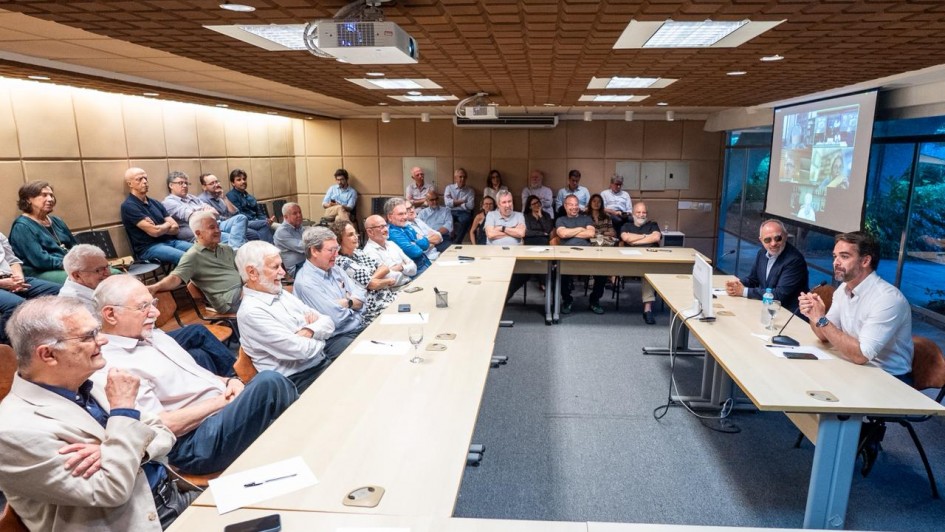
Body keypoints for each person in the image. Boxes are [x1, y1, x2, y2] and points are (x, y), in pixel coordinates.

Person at [0, 296, 192, 531]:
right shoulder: (12, 431)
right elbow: (112, 490)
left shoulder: (94, 381)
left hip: (170, 496)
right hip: (138, 523)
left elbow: (164, 432)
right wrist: (123, 413)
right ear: (48, 354)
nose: (102, 340)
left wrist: (115, 452)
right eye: (88, 336)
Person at [94, 274, 298, 475]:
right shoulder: (114, 368)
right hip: (194, 443)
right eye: (143, 307)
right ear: (111, 314)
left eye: (153, 303)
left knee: (267, 389)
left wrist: (230, 381)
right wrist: (222, 401)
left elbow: (197, 375)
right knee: (270, 382)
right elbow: (159, 426)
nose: (155, 313)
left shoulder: (153, 335)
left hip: (219, 413)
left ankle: (298, 443)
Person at [798, 231, 913, 476]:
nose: (836, 262)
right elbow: (823, 334)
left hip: (890, 378)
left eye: (844, 256)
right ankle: (844, 440)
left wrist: (821, 320)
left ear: (865, 260)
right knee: (800, 374)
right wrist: (813, 315)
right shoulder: (843, 290)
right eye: (834, 256)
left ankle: (857, 440)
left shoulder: (887, 300)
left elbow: (861, 354)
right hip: (856, 365)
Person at [61, 243, 236, 377]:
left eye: (107, 266)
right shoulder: (72, 303)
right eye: (99, 270)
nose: (107, 273)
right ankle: (237, 376)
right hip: (127, 350)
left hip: (142, 337)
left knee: (199, 355)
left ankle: (226, 384)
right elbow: (107, 335)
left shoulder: (96, 286)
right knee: (197, 332)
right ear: (77, 275)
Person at [235, 241, 335, 394]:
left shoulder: (281, 293)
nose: (283, 272)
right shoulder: (251, 312)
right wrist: (321, 335)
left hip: (321, 363)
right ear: (252, 273)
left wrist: (307, 331)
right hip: (299, 381)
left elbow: (328, 322)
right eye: (275, 267)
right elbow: (301, 350)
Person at [148, 211, 244, 315]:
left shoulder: (226, 249)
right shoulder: (193, 256)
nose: (218, 230)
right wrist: (155, 287)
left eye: (218, 226)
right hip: (228, 301)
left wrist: (248, 287)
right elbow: (175, 278)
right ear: (198, 233)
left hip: (243, 293)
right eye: (212, 227)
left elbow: (241, 270)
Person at [294, 226, 367, 357]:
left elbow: (362, 295)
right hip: (335, 339)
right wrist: (353, 304)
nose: (337, 254)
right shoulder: (306, 283)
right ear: (314, 251)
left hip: (359, 326)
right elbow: (336, 320)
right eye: (331, 250)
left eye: (337, 249)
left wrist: (346, 303)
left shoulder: (335, 269)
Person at [725, 219, 809, 313]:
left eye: (777, 238)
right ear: (761, 240)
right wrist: (737, 284)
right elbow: (753, 279)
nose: (773, 243)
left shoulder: (794, 260)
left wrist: (743, 291)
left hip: (788, 314)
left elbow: (779, 294)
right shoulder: (762, 253)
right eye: (767, 240)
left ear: (785, 236)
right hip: (766, 308)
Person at [9, 180, 77, 284]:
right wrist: (71, 264)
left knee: (108, 272)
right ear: (28, 200)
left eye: (51, 195)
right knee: (84, 279)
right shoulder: (22, 226)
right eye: (44, 195)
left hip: (67, 265)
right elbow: (39, 260)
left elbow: (75, 246)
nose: (50, 199)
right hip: (40, 272)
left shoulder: (57, 221)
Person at [120, 167, 192, 265]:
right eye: (139, 179)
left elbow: (175, 228)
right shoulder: (129, 206)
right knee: (186, 258)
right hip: (149, 248)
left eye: (145, 178)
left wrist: (160, 227)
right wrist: (167, 225)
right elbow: (154, 232)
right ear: (130, 184)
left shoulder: (155, 203)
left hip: (170, 242)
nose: (145, 181)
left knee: (200, 251)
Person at [0, 231, 60, 344]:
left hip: (12, 277)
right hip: (2, 282)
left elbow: (13, 261)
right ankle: (6, 350)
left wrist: (19, 277)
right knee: (17, 305)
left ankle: (55, 336)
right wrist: (3, 283)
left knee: (59, 291)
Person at [332, 220, 397, 324]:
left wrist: (369, 281)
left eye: (355, 233)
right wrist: (387, 281)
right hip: (374, 307)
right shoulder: (342, 262)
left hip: (388, 296)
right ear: (339, 240)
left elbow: (384, 267)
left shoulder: (358, 252)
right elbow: (373, 285)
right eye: (350, 235)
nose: (356, 237)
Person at [162, 170, 246, 248]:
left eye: (186, 183)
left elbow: (215, 213)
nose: (185, 186)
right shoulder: (169, 202)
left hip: (215, 224)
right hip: (198, 232)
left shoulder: (192, 197)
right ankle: (235, 251)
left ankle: (235, 250)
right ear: (171, 185)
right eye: (181, 183)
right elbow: (194, 217)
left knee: (241, 218)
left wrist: (201, 212)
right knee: (238, 240)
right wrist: (203, 210)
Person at [556, 195, 605, 314]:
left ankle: (594, 300)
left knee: (603, 272)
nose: (574, 207)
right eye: (571, 205)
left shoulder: (586, 218)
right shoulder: (560, 220)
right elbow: (562, 234)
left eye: (576, 204)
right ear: (565, 206)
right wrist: (581, 229)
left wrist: (570, 232)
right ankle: (567, 300)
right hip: (566, 253)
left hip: (586, 252)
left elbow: (591, 234)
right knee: (560, 273)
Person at [619, 202, 662, 324]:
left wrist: (635, 241)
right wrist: (645, 236)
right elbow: (625, 238)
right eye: (638, 212)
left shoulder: (652, 224)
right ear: (633, 213)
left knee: (649, 273)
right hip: (628, 260)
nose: (641, 215)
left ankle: (647, 310)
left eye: (644, 212)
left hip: (649, 259)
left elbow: (656, 238)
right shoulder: (626, 225)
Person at [485, 190, 529, 301]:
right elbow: (490, 234)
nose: (508, 205)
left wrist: (502, 228)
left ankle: (506, 294)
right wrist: (513, 231)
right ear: (498, 204)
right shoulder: (491, 215)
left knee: (528, 271)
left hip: (516, 256)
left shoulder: (519, 215)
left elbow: (521, 233)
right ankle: (497, 296)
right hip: (494, 256)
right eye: (504, 202)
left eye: (510, 201)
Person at [196, 172, 255, 243]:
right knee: (244, 236)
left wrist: (224, 198)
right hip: (219, 226)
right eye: (212, 183)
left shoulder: (220, 196)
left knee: (254, 235)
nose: (216, 185)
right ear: (204, 187)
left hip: (232, 224)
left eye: (217, 182)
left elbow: (235, 212)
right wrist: (229, 219)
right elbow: (214, 218)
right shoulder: (202, 200)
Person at [362, 214, 416, 287]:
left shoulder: (391, 244)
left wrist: (401, 268)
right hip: (395, 291)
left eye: (386, 225)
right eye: (381, 227)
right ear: (370, 232)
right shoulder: (368, 252)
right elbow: (387, 279)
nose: (386, 230)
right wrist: (405, 268)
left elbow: (413, 267)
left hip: (411, 282)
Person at [226, 168, 274, 243]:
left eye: (244, 179)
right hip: (246, 222)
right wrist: (261, 221)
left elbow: (259, 213)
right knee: (264, 226)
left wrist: (266, 219)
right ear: (233, 183)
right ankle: (269, 250)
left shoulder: (250, 196)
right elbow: (239, 214)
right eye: (239, 180)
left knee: (278, 227)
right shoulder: (231, 196)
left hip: (257, 222)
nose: (243, 181)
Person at [386, 198, 432, 274]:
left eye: (405, 213)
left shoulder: (408, 227)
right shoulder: (392, 233)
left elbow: (426, 244)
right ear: (390, 217)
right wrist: (418, 241)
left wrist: (414, 243)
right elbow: (414, 252)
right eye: (400, 214)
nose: (405, 217)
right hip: (415, 272)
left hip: (426, 265)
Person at [273, 202, 306, 277]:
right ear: (286, 217)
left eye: (300, 212)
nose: (299, 215)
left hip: (307, 263)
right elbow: (303, 247)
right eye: (295, 213)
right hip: (297, 268)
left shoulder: (299, 227)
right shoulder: (281, 232)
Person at [444, 167, 476, 244]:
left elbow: (471, 206)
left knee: (466, 220)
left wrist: (454, 202)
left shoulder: (470, 190)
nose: (462, 179)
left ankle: (456, 242)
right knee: (446, 220)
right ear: (455, 178)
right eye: (460, 177)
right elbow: (447, 203)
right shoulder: (449, 188)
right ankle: (448, 241)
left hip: (464, 212)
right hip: (450, 211)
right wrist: (463, 201)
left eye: (464, 177)